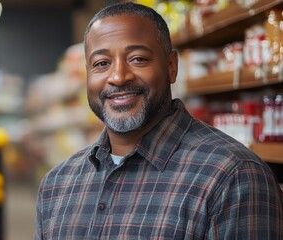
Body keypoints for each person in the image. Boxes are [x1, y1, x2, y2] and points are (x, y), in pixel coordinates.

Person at [35, 2, 283, 239]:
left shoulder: (233, 177)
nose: (119, 77)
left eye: (138, 59)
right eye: (101, 63)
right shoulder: (56, 185)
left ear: (171, 67)